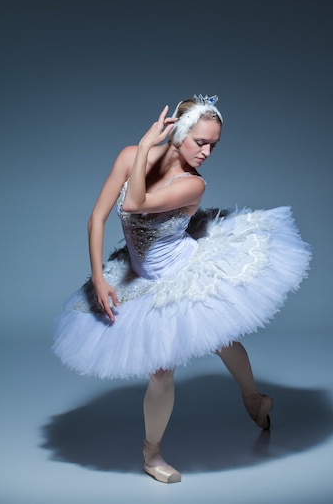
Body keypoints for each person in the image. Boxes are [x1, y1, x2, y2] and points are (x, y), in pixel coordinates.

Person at [53, 94, 311, 484]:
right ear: (179, 134)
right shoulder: (128, 157)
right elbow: (97, 218)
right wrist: (99, 276)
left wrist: (144, 146)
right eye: (200, 142)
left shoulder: (193, 185)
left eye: (213, 145)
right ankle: (164, 447)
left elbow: (136, 202)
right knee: (174, 364)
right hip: (142, 274)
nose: (207, 152)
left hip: (183, 269)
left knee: (218, 340)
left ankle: (240, 405)